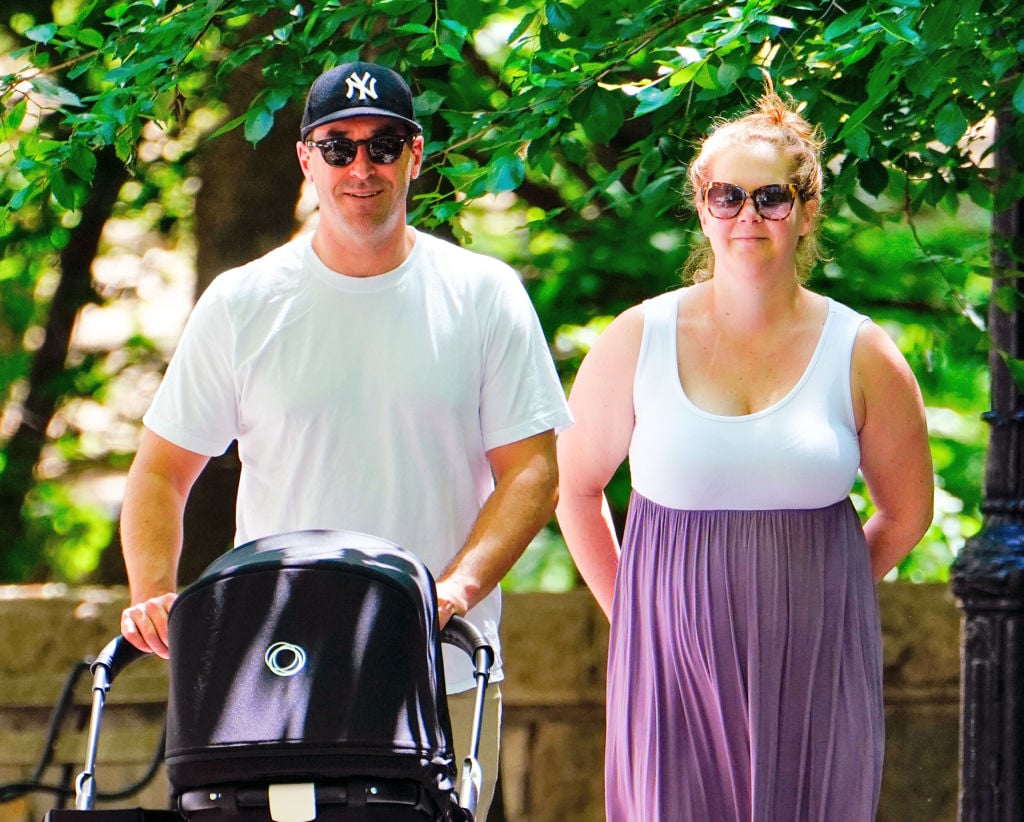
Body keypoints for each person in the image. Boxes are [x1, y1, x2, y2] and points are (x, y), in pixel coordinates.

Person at [118, 60, 572, 820]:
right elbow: (161, 472)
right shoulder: (243, 303)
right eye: (338, 147)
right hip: (276, 670)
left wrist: (452, 590)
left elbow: (533, 473)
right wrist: (151, 596)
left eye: (383, 145)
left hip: (437, 671)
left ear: (415, 156)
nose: (361, 166)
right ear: (306, 159)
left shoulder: (483, 294)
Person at [555, 86, 933, 821]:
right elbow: (574, 489)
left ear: (808, 207)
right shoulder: (639, 337)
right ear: (702, 205)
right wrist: (637, 612)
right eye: (727, 197)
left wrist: (825, 596)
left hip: (816, 665)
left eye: (771, 198)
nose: (748, 217)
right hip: (670, 669)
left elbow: (908, 511)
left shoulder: (861, 351)